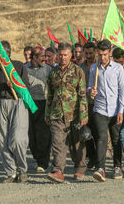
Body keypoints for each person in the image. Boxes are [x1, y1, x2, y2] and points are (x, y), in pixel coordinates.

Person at [0, 41, 31, 183]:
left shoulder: (18, 66)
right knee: (2, 140)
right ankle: (11, 172)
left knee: (17, 139)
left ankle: (22, 170)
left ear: (8, 53)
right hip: (0, 104)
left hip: (18, 103)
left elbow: (26, 88)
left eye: (1, 54)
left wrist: (15, 84)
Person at [45, 42, 88, 183]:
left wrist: (83, 115)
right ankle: (58, 170)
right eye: (61, 55)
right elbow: (49, 96)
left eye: (65, 55)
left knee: (76, 144)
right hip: (57, 114)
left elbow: (82, 95)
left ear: (71, 56)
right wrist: (47, 114)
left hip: (74, 115)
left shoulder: (77, 71)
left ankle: (80, 168)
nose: (63, 58)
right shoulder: (53, 73)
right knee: (58, 144)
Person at [88, 40, 124, 182]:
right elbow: (90, 87)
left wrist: (121, 110)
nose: (102, 57)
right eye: (100, 54)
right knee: (101, 138)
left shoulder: (118, 69)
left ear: (110, 52)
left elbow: (122, 90)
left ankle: (117, 166)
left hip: (115, 110)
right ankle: (100, 168)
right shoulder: (93, 68)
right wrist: (90, 91)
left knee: (116, 139)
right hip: (100, 109)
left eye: (105, 54)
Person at [26, 47, 52, 173]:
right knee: (31, 134)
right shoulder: (25, 69)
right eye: (41, 56)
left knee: (43, 134)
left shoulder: (48, 69)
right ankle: (37, 156)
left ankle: (43, 162)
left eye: (45, 56)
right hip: (29, 104)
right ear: (34, 57)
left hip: (44, 103)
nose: (44, 58)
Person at [79, 41, 97, 169]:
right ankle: (91, 157)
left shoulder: (99, 66)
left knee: (98, 132)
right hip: (84, 104)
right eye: (87, 53)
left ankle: (98, 158)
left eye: (91, 53)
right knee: (86, 133)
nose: (89, 55)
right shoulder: (80, 67)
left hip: (97, 104)